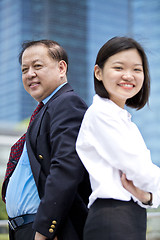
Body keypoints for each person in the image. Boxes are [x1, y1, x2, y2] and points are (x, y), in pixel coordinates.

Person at [1, 40, 91, 240]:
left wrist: (44, 230)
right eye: (24, 69)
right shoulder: (45, 111)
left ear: (61, 67)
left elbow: (66, 168)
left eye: (37, 66)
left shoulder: (67, 103)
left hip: (46, 230)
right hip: (25, 230)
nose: (30, 74)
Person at [76, 36, 160, 240]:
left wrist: (148, 197)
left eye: (137, 70)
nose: (128, 76)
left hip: (131, 217)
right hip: (111, 219)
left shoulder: (126, 123)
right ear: (98, 72)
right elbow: (138, 169)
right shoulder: (100, 114)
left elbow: (143, 177)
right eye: (119, 67)